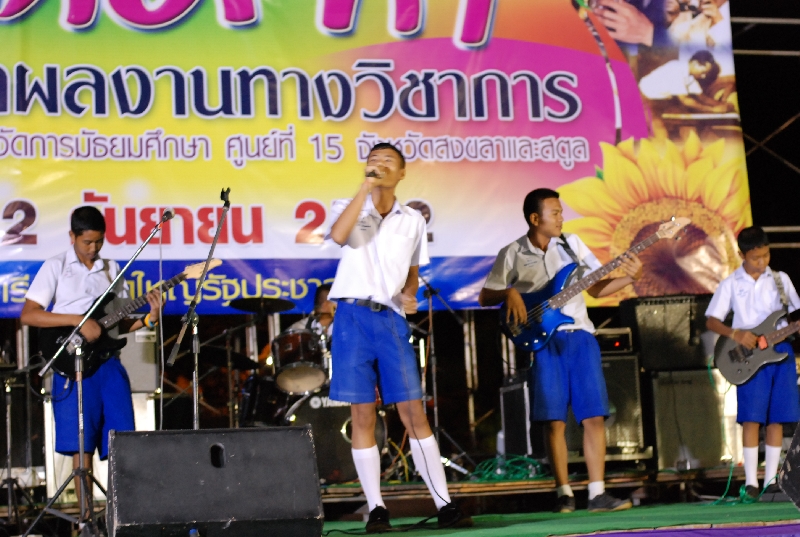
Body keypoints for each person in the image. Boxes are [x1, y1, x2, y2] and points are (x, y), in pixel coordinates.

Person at [327, 142, 471, 532]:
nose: (379, 164)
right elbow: (341, 236)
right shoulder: (350, 206)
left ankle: (444, 504)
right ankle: (377, 509)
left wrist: (410, 293)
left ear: (402, 173)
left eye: (388, 160)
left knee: (412, 411)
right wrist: (365, 191)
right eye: (373, 160)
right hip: (352, 316)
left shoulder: (412, 220)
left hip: (390, 319)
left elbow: (412, 271)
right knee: (362, 414)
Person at [478, 188, 643, 513]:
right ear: (535, 218)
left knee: (594, 415)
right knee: (553, 420)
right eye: (555, 213)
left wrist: (629, 278)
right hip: (544, 341)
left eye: (561, 212)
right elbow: (485, 296)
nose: (561, 218)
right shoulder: (512, 252)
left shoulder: (573, 245)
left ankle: (597, 493)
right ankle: (563, 493)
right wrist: (509, 292)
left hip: (581, 336)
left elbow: (596, 288)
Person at [20, 206, 161, 515]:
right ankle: (85, 517)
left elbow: (118, 324)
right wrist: (78, 321)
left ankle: (123, 513)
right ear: (72, 236)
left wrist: (149, 318)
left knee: (122, 438)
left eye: (99, 241)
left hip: (108, 362)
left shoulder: (112, 269)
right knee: (81, 440)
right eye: (87, 242)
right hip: (73, 362)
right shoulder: (56, 266)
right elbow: (29, 314)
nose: (94, 248)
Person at [705, 226, 800, 500]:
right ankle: (750, 482)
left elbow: (794, 314)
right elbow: (712, 320)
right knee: (752, 418)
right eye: (756, 257)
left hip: (780, 351)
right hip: (747, 355)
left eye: (766, 255)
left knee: (777, 418)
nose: (762, 262)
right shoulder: (731, 283)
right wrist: (735, 334)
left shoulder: (781, 279)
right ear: (741, 254)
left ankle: (770, 480)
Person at [638, 50, 734, 113]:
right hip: (643, 98)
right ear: (695, 63)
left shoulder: (690, 76)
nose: (704, 76)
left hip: (660, 101)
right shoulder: (676, 68)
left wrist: (722, 105)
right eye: (703, 72)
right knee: (661, 132)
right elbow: (685, 100)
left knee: (688, 123)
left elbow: (702, 98)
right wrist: (713, 110)